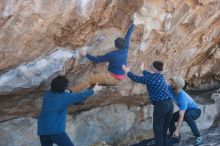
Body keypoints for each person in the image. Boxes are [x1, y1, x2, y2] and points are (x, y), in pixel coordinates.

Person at [37, 75, 102, 146]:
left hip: (42, 130)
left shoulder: (47, 94)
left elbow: (61, 95)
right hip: (55, 130)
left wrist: (67, 91)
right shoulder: (65, 96)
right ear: (63, 88)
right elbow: (81, 96)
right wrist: (94, 90)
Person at [70, 21, 135, 92]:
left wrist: (86, 54)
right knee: (94, 83)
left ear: (116, 46)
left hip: (111, 78)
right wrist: (132, 24)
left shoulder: (112, 54)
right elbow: (128, 36)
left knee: (89, 80)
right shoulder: (125, 48)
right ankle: (83, 98)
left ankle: (70, 92)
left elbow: (96, 60)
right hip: (119, 79)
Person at [122, 61, 174, 146]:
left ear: (154, 69)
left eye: (151, 66)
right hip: (170, 103)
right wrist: (142, 70)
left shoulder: (149, 79)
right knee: (164, 128)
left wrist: (127, 71)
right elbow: (148, 76)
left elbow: (136, 78)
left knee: (158, 129)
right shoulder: (160, 75)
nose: (149, 67)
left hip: (161, 105)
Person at [168, 76, 204, 146]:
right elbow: (162, 84)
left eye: (173, 82)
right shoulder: (170, 88)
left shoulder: (182, 97)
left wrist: (177, 130)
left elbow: (181, 116)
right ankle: (175, 138)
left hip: (196, 110)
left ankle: (198, 137)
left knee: (187, 116)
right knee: (170, 118)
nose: (171, 83)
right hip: (187, 110)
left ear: (175, 85)